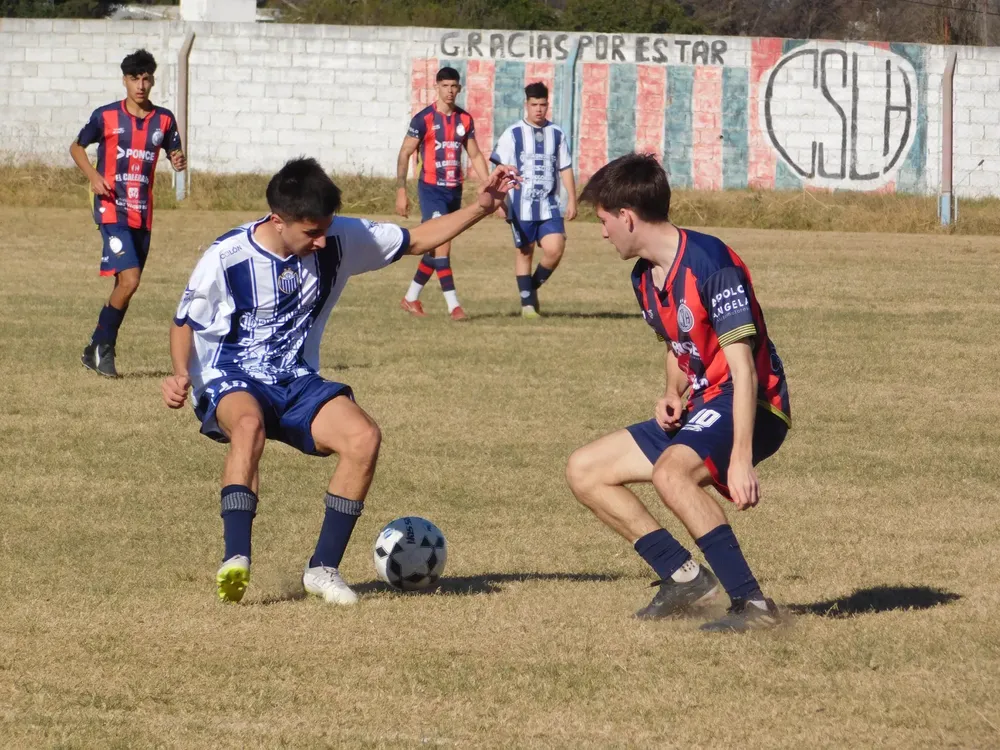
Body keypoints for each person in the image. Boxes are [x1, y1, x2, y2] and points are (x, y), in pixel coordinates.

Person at [161, 157, 517, 605]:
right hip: (231, 376)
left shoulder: (339, 237)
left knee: (363, 437)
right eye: (311, 232)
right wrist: (179, 374)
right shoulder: (227, 256)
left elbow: (418, 238)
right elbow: (183, 322)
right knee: (248, 427)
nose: (322, 240)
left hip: (295, 378)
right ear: (278, 220)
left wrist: (482, 206)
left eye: (326, 228)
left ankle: (323, 569)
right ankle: (236, 559)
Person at [565, 153, 791, 633]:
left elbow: (744, 369)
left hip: (752, 402)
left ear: (627, 217)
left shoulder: (710, 263)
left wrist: (741, 457)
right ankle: (684, 577)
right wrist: (672, 391)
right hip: (705, 401)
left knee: (672, 474)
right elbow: (679, 343)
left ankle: (753, 606)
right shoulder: (644, 277)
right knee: (585, 469)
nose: (602, 232)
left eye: (604, 221)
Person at [72, 49, 187, 377]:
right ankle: (104, 349)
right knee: (131, 279)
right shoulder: (106, 116)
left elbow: (174, 152)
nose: (141, 84)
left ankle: (96, 347)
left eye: (146, 78)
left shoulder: (163, 120)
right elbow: (76, 146)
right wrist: (93, 176)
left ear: (152, 80)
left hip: (142, 213)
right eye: (134, 78)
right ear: (125, 81)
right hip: (111, 209)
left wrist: (177, 161)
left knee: (127, 284)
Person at [395, 67, 491, 321]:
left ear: (459, 89)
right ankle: (454, 306)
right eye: (445, 86)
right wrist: (401, 190)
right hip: (431, 189)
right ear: (436, 87)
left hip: (453, 190)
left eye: (454, 86)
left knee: (435, 245)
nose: (450, 91)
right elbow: (404, 153)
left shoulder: (464, 120)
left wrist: (490, 183)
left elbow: (475, 155)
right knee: (441, 245)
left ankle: (411, 298)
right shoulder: (423, 119)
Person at [491, 82, 576, 318]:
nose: (538, 109)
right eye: (534, 104)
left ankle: (530, 288)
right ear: (526, 105)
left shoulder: (557, 134)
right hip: (520, 204)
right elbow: (499, 168)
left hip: (549, 204)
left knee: (555, 248)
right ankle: (528, 306)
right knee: (525, 252)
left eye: (543, 104)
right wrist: (499, 201)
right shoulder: (512, 134)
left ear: (547, 104)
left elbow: (565, 168)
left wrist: (572, 200)